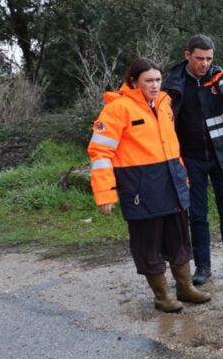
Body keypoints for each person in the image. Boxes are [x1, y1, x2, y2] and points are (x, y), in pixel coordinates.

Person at [88, 57, 211, 312]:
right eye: (148, 81)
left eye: (158, 80)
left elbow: (172, 146)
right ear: (134, 82)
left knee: (179, 240)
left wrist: (183, 177)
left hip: (172, 184)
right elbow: (100, 152)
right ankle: (162, 296)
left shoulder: (164, 104)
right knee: (148, 244)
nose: (155, 85)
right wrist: (105, 193)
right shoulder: (117, 109)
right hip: (140, 188)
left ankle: (185, 288)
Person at [163, 35, 223, 285]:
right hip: (190, 157)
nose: (204, 64)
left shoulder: (219, 75)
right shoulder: (173, 81)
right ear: (187, 56)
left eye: (209, 59)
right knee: (197, 215)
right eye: (199, 58)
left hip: (222, 155)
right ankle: (202, 266)